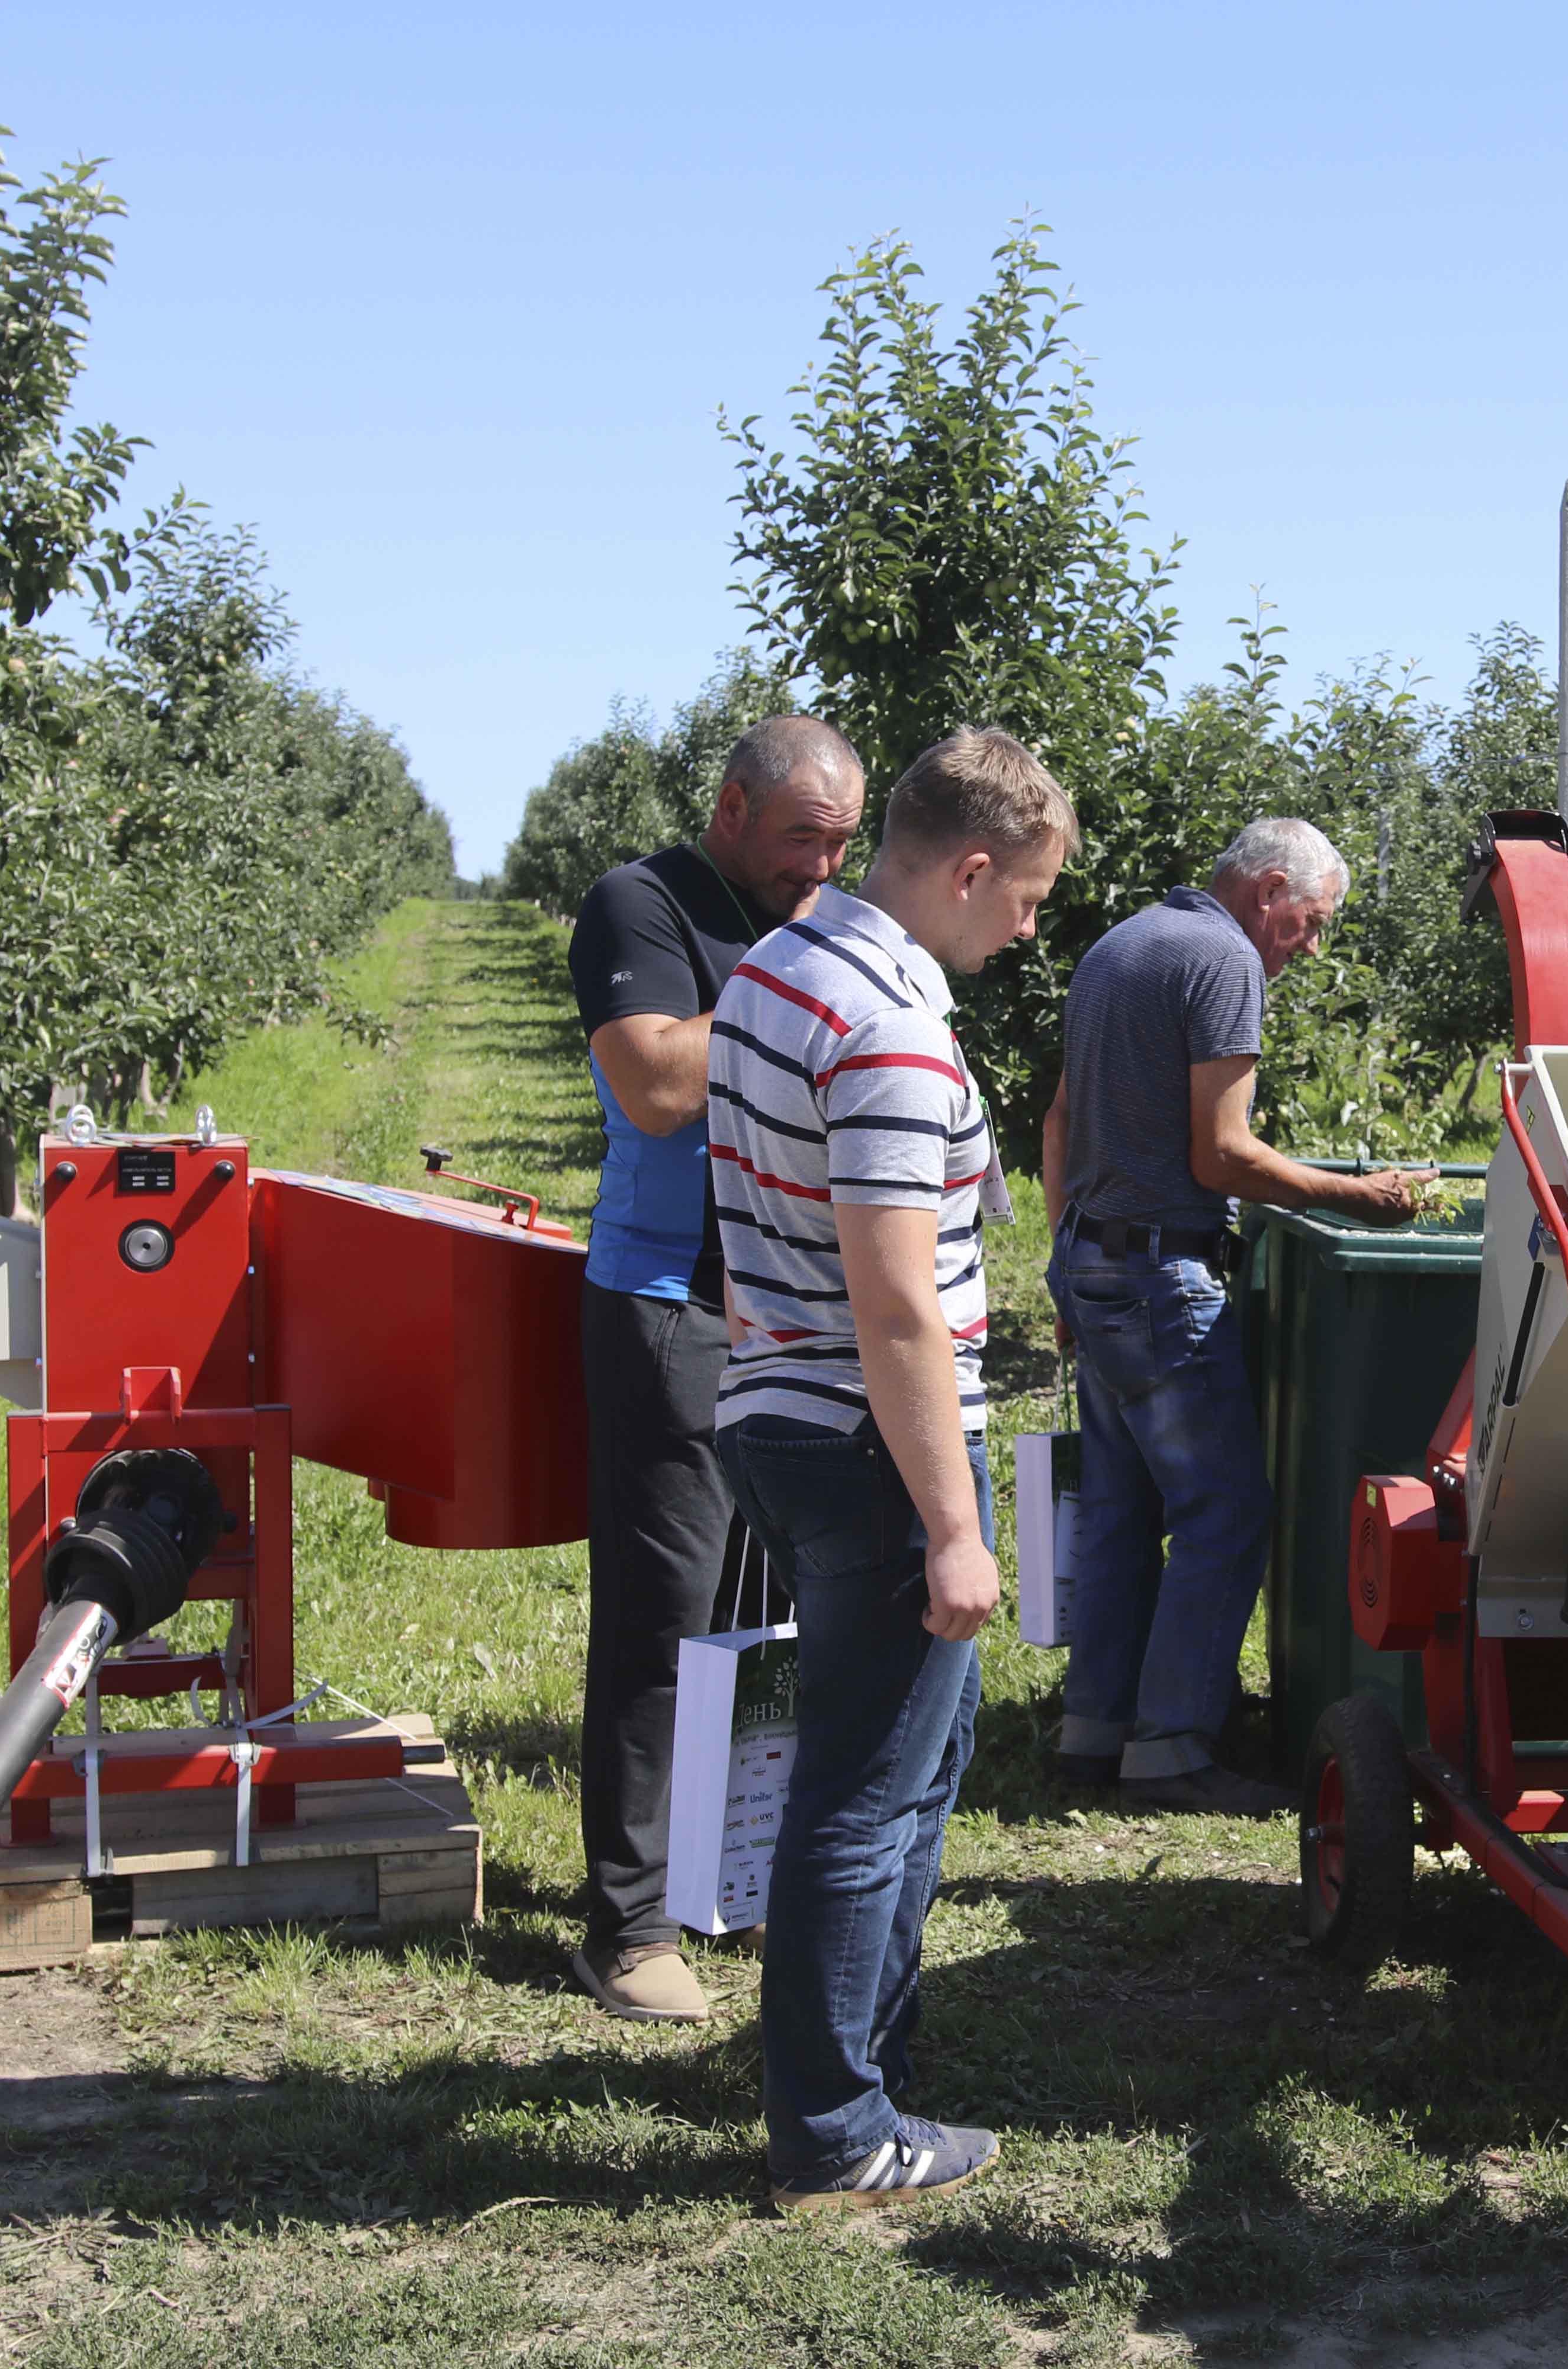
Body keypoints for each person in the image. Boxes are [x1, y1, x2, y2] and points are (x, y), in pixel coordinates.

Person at [707, 726, 1070, 2210]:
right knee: (865, 1790)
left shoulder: (771, 975)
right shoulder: (895, 1032)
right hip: (876, 1435)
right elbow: (898, 1298)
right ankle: (839, 2128)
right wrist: (953, 1525)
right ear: (969, 868)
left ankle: (862, 2060)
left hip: (781, 1410)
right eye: (1029, 897)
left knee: (905, 1764)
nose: (1030, 926)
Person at [563, 714, 865, 2023]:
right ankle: (624, 1927)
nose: (821, 868)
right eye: (803, 838)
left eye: (844, 846)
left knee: (777, 1606)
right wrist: (798, 989)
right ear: (733, 807)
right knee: (664, 1614)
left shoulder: (811, 914)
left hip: (799, 1305)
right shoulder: (641, 906)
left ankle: (724, 1868)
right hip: (671, 1304)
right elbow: (654, 1086)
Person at [1037, 818, 1428, 1815]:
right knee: (1225, 1512)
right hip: (1164, 1273)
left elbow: (1058, 1124)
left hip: (1097, 1259)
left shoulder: (1120, 945)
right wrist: (1358, 1194)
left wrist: (1064, 1264)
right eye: (1310, 922)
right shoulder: (1222, 960)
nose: (1309, 945)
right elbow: (1222, 1157)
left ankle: (1095, 1730)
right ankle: (1172, 1748)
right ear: (1267, 890)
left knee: (1124, 1511)